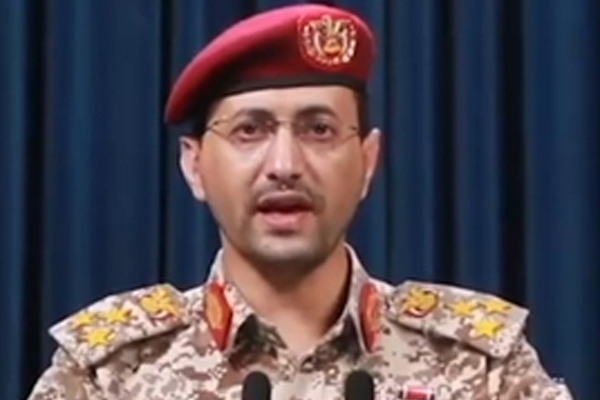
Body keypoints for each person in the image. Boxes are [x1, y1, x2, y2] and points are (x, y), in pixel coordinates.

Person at [26, 4, 573, 400]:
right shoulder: (110, 375)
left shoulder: (481, 367)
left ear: (368, 161)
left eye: (319, 129)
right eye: (249, 131)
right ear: (194, 165)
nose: (285, 164)